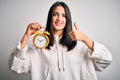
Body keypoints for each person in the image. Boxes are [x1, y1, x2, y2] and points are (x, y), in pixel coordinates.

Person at [9, 1, 112, 80]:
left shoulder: (81, 45)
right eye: (55, 14)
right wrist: (26, 35)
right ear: (50, 18)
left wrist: (85, 39)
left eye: (64, 15)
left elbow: (106, 60)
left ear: (68, 20)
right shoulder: (39, 47)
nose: (59, 18)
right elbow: (15, 66)